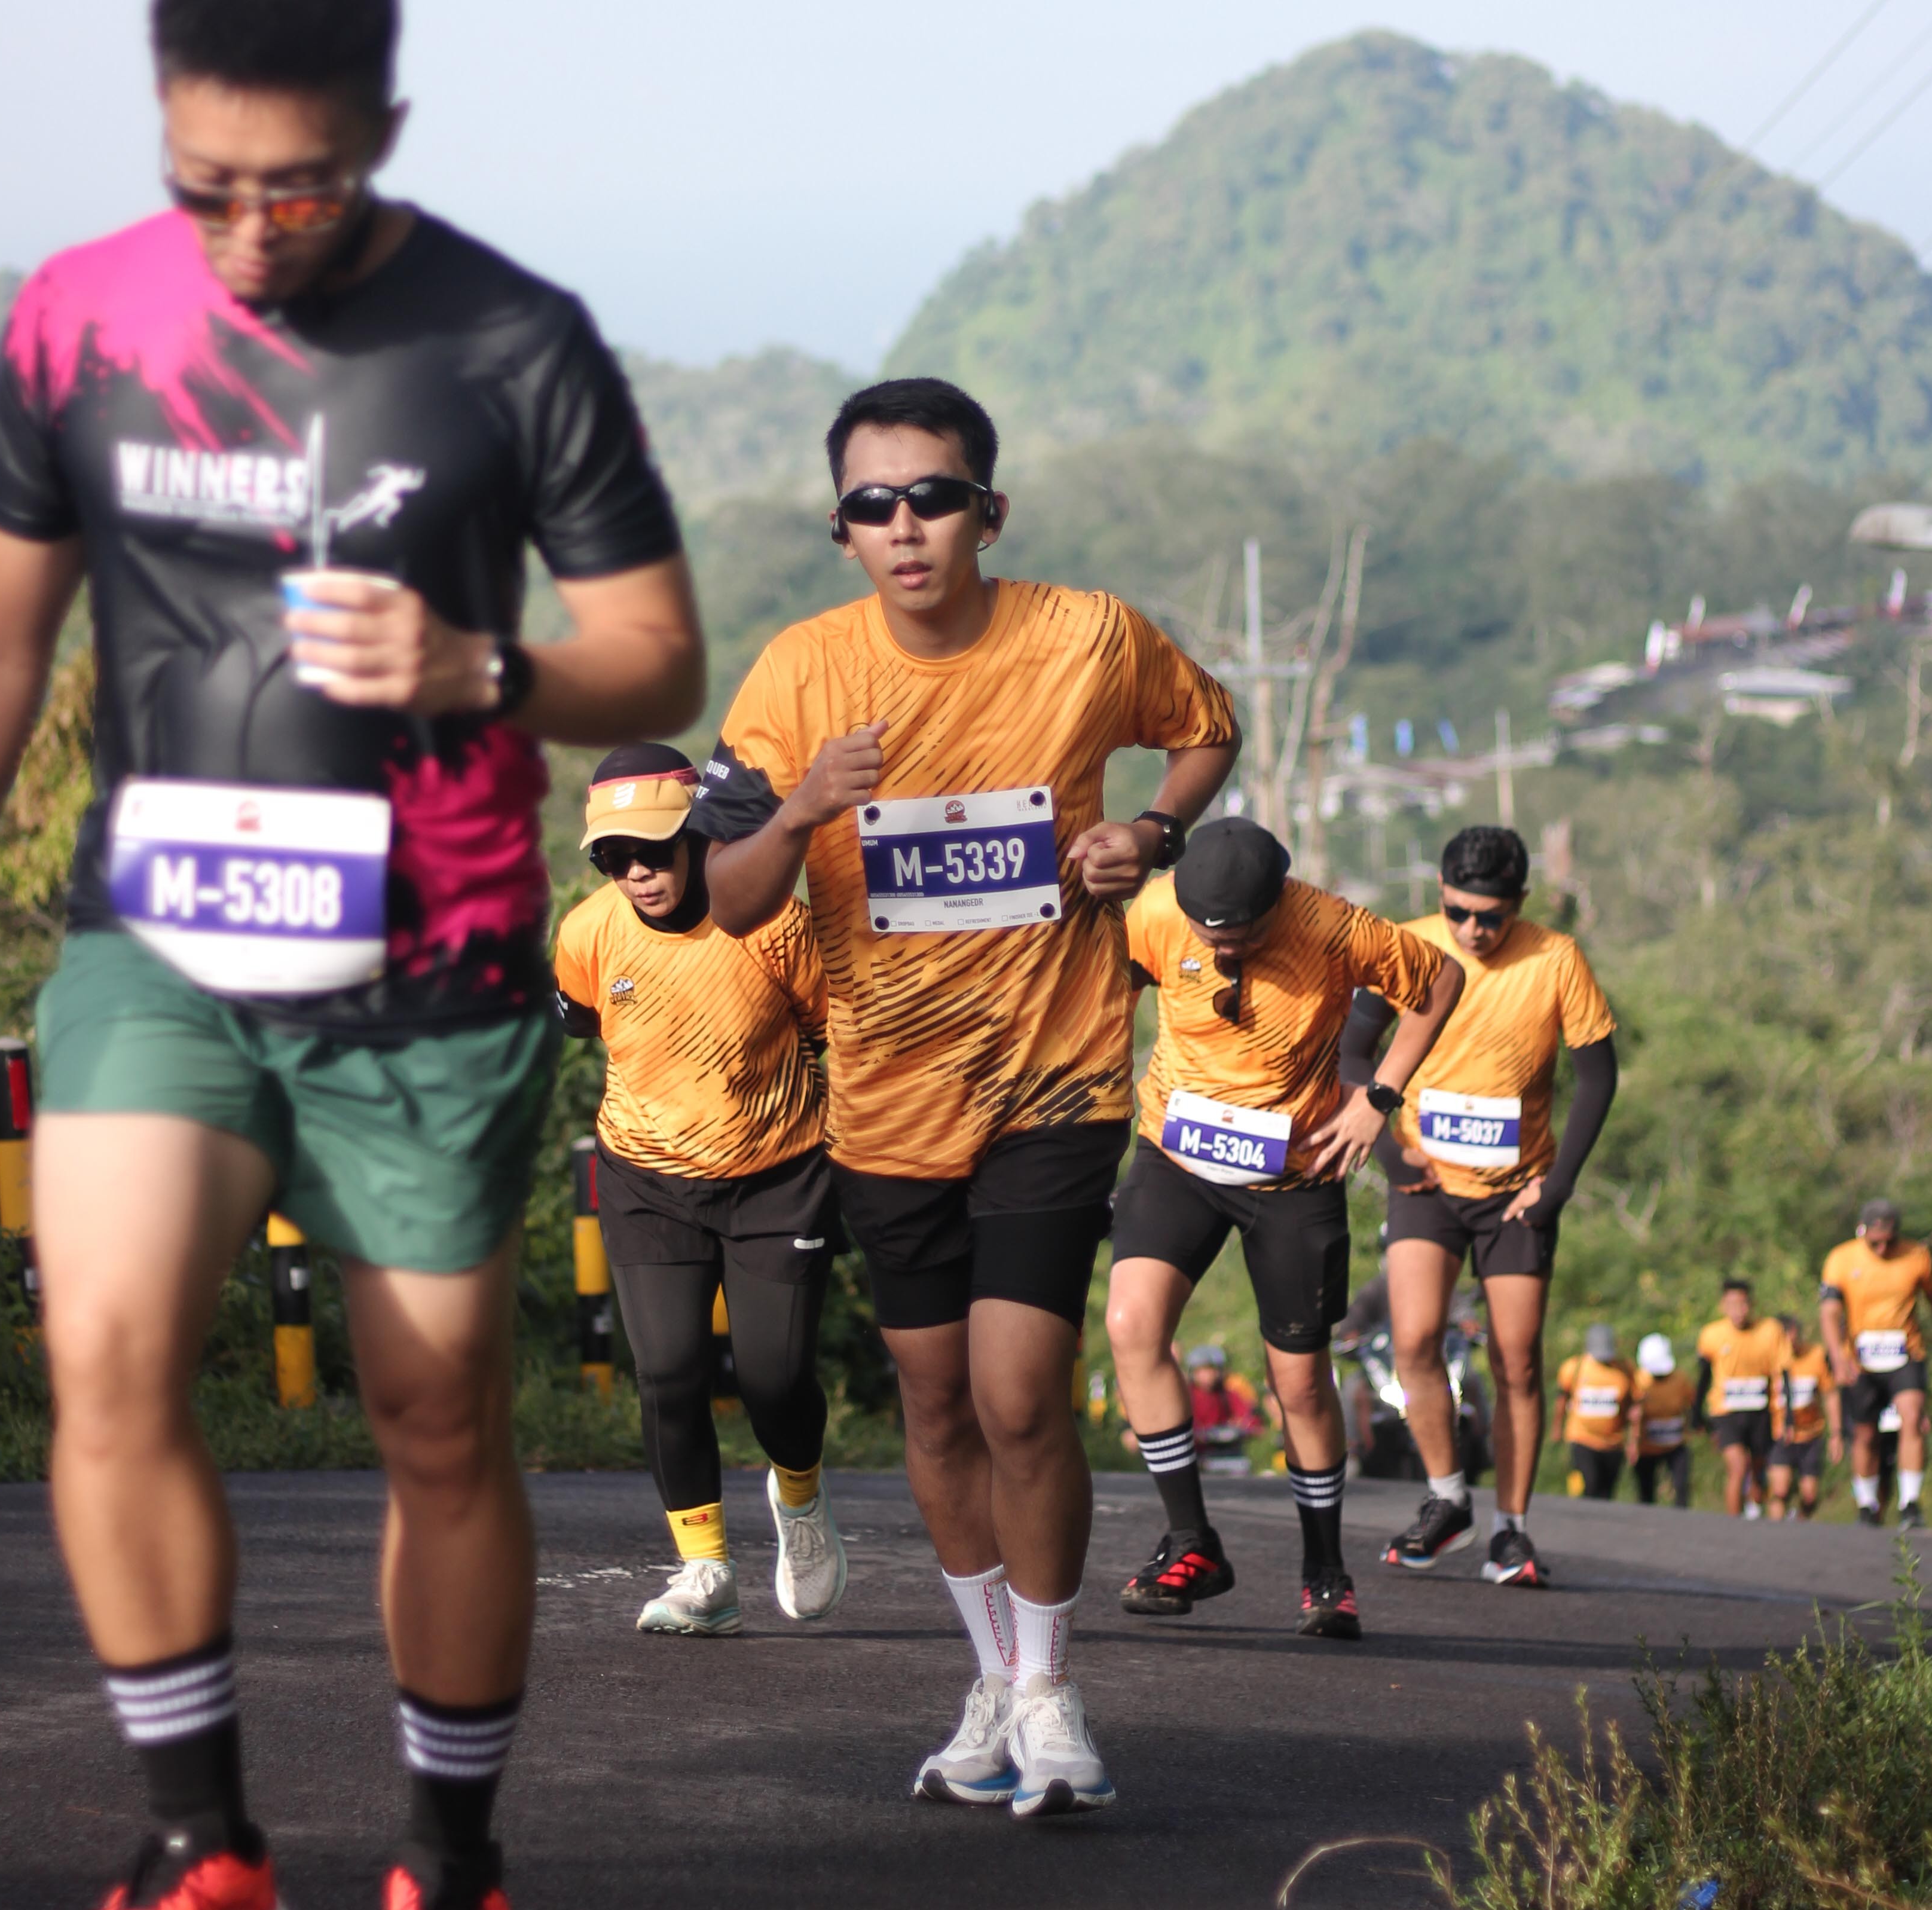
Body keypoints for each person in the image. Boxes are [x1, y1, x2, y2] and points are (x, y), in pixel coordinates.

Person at [0, 0, 702, 1910]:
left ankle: (449, 1874)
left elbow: (657, 656)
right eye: (206, 185)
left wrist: (481, 665)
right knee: (106, 1351)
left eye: (304, 187)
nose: (252, 231)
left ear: (388, 134)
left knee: (436, 1413)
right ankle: (202, 1857)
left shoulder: (511, 339)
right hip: (158, 941)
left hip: (431, 966)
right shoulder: (80, 315)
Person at [694, 375, 1238, 1817]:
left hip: (1052, 1081)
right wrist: (803, 807)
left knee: (1015, 1392)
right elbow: (729, 901)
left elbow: (1206, 728)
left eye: (932, 496)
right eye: (871, 504)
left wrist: (1149, 830)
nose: (905, 525)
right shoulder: (796, 677)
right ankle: (993, 1679)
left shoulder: (1086, 637)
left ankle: (1052, 1691)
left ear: (987, 512)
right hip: (885, 1101)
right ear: (841, 529)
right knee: (934, 1407)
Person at [1105, 818, 1461, 1635]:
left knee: (1299, 1382)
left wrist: (1378, 1098)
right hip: (1177, 1155)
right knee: (1130, 1326)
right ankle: (1191, 1542)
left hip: (1295, 1173)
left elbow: (1441, 981)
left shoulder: (1332, 926)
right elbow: (1107, 1000)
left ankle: (1325, 1571)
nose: (1223, 947)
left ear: (1279, 903)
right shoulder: (1155, 911)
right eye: (1209, 934)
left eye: (1242, 934)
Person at [553, 745, 845, 1635]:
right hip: (646, 1177)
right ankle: (705, 1570)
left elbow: (832, 1037)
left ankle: (800, 1499)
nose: (636, 872)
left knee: (774, 1379)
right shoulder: (587, 934)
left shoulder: (776, 926)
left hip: (779, 1177)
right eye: (614, 858)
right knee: (669, 1372)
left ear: (701, 836)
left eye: (653, 850)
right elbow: (588, 1022)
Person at [1358, 824, 1617, 1591]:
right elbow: (1351, 1051)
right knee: (1412, 1342)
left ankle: (1510, 1529)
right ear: (1440, 894)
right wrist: (1388, 1154)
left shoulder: (1555, 958)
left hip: (1517, 1193)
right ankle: (1447, 1500)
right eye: (1460, 912)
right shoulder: (1407, 945)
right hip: (1426, 1185)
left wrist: (1558, 1185)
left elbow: (1598, 1076)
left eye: (1492, 916)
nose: (1473, 930)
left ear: (1520, 903)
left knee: (1517, 1360)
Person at [1818, 1199, 1932, 1531]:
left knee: (1912, 1417)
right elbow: (1830, 1313)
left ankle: (1910, 1503)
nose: (1883, 1249)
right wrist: (1838, 1358)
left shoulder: (1916, 1256)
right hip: (1860, 1360)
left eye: (1890, 1242)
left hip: (1905, 1353)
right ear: (1862, 1232)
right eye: (1875, 1243)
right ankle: (1867, 1505)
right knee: (1865, 1434)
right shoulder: (1841, 1259)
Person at [1693, 1280, 1790, 1520]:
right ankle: (1733, 1525)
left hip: (1760, 1410)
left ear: (1752, 1304)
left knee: (1758, 1467)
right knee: (1737, 1467)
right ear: (1723, 1306)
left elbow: (1783, 1374)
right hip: (1726, 1411)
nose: (1739, 1311)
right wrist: (1696, 1413)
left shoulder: (1770, 1330)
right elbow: (1703, 1377)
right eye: (1732, 1304)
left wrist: (1788, 1415)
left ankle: (1754, 1506)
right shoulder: (1712, 1335)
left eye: (1743, 1304)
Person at [1765, 1312, 1838, 1523]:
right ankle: (1775, 1532)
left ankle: (1798, 1526)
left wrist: (1836, 1433)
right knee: (1780, 1489)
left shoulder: (1816, 1356)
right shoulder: (1770, 1361)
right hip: (1780, 1434)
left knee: (1810, 1495)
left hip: (1811, 1434)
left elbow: (1830, 1394)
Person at [1549, 1321, 1631, 1501]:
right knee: (1590, 1484)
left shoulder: (1624, 1370)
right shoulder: (1574, 1368)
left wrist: (1632, 1437)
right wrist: (1557, 1428)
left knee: (1607, 1492)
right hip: (1582, 1438)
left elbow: (1632, 1404)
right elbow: (1562, 1399)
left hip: (1614, 1442)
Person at [1626, 1333, 1692, 1506]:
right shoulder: (1638, 1381)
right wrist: (1633, 1444)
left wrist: (1692, 1429)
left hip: (1675, 1445)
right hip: (1647, 1448)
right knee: (1646, 1494)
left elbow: (1690, 1407)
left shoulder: (1680, 1379)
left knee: (1682, 1489)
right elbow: (1633, 1417)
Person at [1183, 1343, 1268, 1478]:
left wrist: (1244, 1427)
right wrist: (1199, 1434)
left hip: (1229, 1453)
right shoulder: (1186, 1396)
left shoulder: (1227, 1395)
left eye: (1212, 1370)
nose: (1208, 1376)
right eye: (1202, 1371)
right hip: (1199, 1457)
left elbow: (1250, 1417)